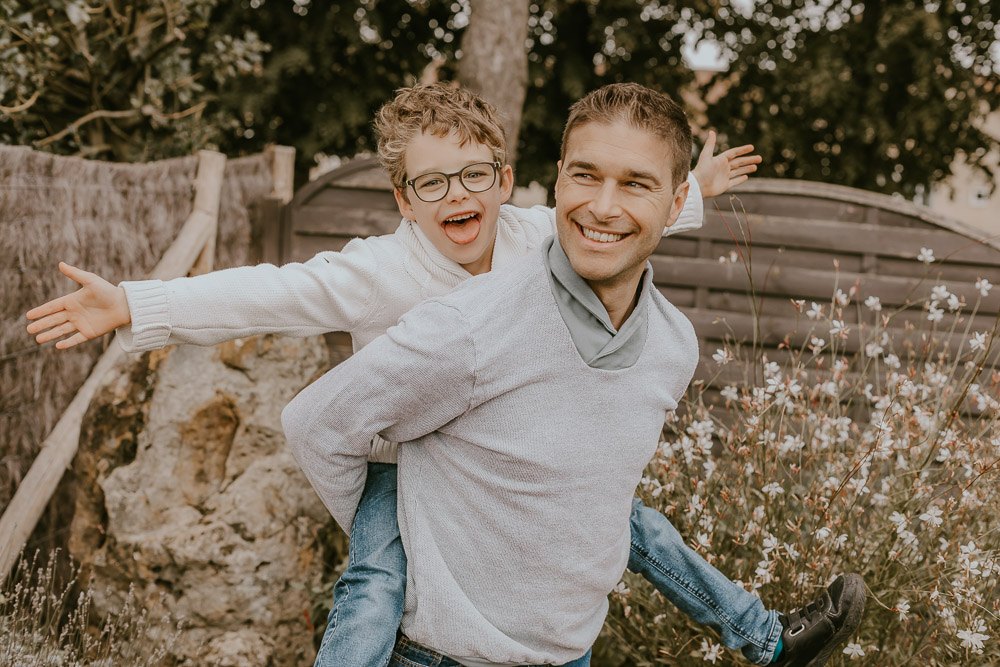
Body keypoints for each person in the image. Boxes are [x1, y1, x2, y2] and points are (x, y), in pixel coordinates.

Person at [24, 83, 843, 667]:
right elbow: (268, 291)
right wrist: (136, 304)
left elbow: (619, 207)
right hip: (396, 457)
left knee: (635, 524)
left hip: (513, 463)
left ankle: (760, 632)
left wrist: (694, 190)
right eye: (432, 183)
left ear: (507, 180)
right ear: (403, 198)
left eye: (474, 177)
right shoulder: (379, 270)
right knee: (376, 583)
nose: (458, 195)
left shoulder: (535, 235)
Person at [280, 82, 867, 667]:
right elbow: (315, 425)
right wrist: (395, 531)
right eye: (586, 175)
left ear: (677, 199)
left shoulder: (673, 345)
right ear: (558, 179)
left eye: (635, 184)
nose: (604, 206)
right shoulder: (466, 327)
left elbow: (601, 507)